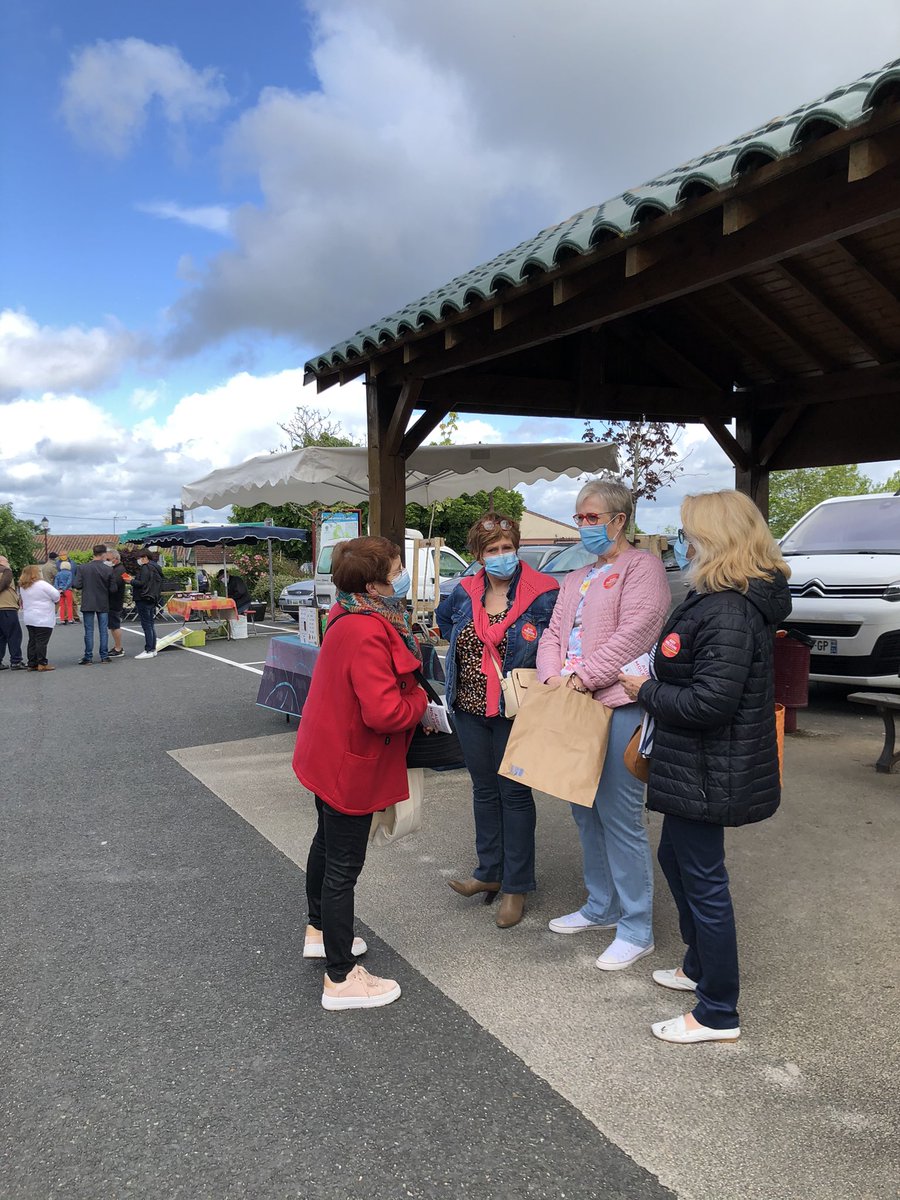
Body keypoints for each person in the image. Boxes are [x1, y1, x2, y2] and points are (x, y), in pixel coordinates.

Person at [618, 490, 791, 1044]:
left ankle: (718, 1011)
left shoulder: (730, 609)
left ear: (715, 537)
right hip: (696, 765)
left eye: (690, 531)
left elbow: (709, 704)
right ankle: (697, 966)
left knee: (704, 879)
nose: (682, 540)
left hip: (707, 766)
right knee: (677, 857)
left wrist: (646, 688)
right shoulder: (720, 598)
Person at [536, 480, 670, 970]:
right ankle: (601, 905)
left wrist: (585, 677)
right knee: (583, 811)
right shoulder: (577, 576)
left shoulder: (644, 568)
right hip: (573, 702)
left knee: (620, 817)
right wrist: (555, 678)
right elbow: (553, 632)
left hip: (617, 704)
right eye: (580, 517)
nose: (584, 525)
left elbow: (638, 631)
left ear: (619, 520)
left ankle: (636, 927)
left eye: (593, 517)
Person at [292, 536, 428, 1011]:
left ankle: (319, 930)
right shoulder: (371, 628)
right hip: (351, 762)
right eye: (396, 569)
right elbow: (385, 712)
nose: (402, 576)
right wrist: (421, 703)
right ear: (375, 583)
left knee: (325, 846)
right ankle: (341, 977)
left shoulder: (346, 613)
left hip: (326, 754)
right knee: (343, 869)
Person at [436, 512, 559, 929]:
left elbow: (554, 643)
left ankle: (516, 886)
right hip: (469, 706)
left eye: (508, 548)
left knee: (515, 795)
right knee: (484, 791)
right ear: (478, 554)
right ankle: (489, 872)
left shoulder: (543, 591)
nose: (502, 556)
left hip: (516, 710)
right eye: (493, 550)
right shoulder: (466, 588)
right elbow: (445, 622)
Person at [72, 545, 115, 664]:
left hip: (88, 601)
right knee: (103, 630)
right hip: (103, 602)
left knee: (89, 630)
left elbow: (77, 584)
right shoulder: (108, 569)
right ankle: (104, 656)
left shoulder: (83, 568)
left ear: (94, 553)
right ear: (104, 554)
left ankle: (88, 657)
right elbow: (113, 589)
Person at [18, 565, 60, 671]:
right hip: (43, 617)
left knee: (32, 640)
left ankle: (32, 663)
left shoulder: (23, 586)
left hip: (29, 616)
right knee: (42, 641)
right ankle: (42, 663)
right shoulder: (42, 584)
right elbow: (56, 595)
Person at [132, 548, 163, 659]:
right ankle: (153, 649)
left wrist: (131, 581)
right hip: (152, 597)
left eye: (139, 558)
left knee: (146, 625)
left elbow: (142, 583)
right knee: (150, 624)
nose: (138, 560)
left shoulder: (145, 568)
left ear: (145, 557)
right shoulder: (156, 567)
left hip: (143, 597)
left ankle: (149, 649)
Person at [0, 554, 26, 671]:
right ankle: (16, 661)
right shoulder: (6, 571)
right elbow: (4, 585)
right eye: (6, 560)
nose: (8, 562)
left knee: (1, 636)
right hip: (7, 607)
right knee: (14, 635)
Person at [105, 549, 129, 658]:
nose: (106, 561)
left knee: (115, 625)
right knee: (112, 625)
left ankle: (118, 648)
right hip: (113, 601)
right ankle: (117, 646)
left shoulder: (119, 570)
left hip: (114, 601)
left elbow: (114, 586)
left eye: (108, 559)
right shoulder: (116, 569)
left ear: (115, 559)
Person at [54, 552, 77, 624]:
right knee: (69, 604)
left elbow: (55, 582)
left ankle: (62, 619)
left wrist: (59, 589)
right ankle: (70, 618)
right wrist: (65, 588)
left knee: (62, 605)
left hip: (60, 590)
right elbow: (69, 582)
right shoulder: (69, 573)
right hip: (68, 590)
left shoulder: (58, 573)